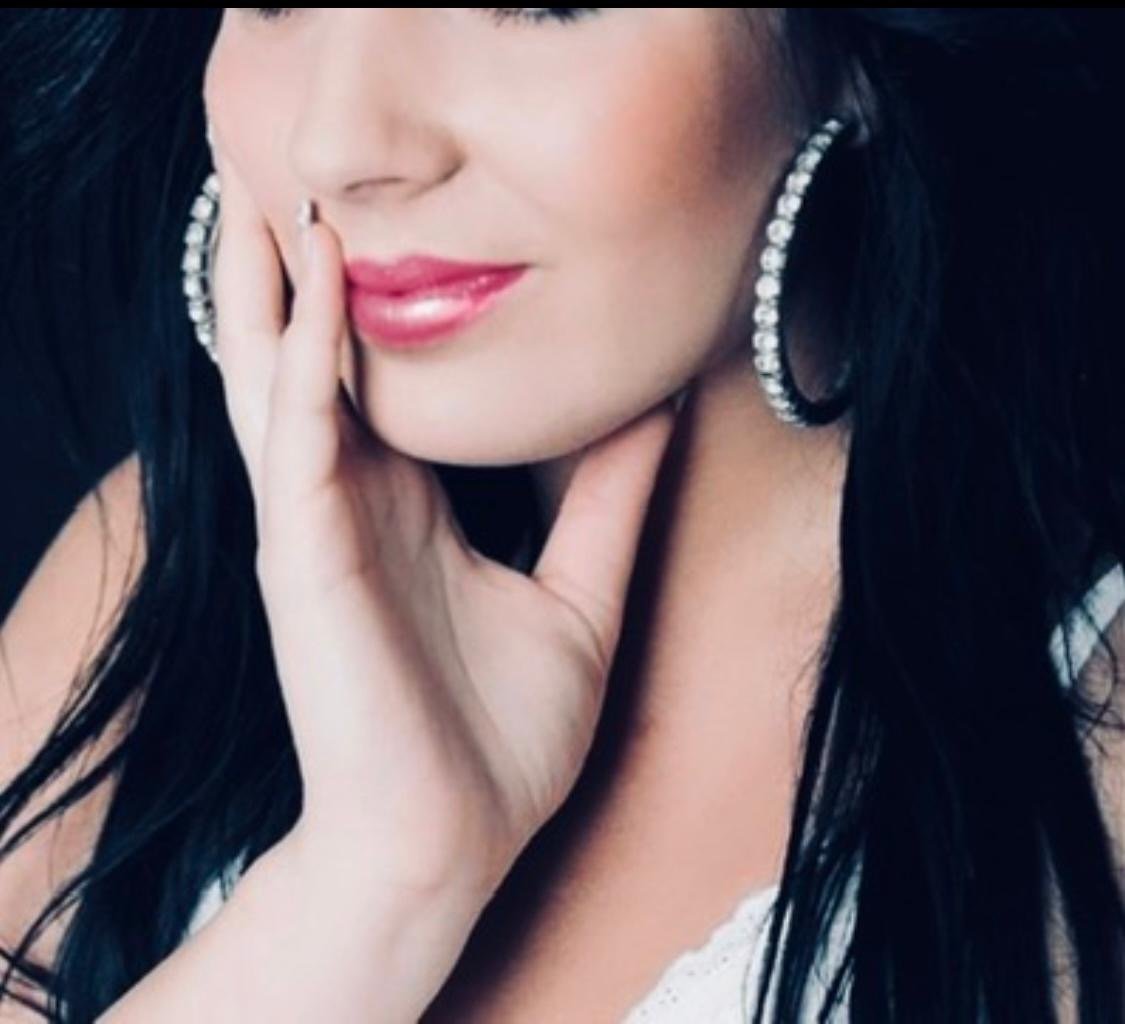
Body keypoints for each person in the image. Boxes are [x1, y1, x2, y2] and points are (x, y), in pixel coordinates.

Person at [0, 8, 1121, 1022]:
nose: (342, 144)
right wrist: (368, 886)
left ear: (855, 47)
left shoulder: (1092, 764)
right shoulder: (142, 579)